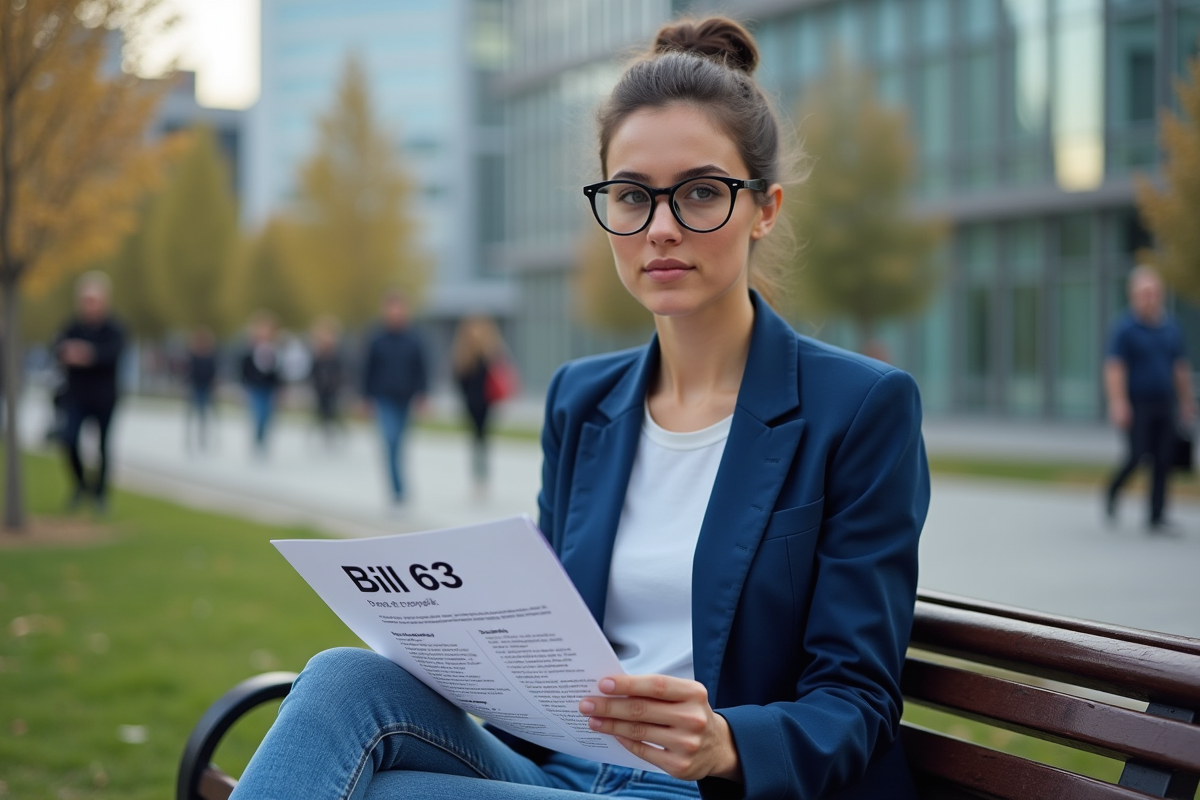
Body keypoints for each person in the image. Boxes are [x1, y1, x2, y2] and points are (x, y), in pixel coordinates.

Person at [231, 17, 928, 800]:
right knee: (341, 680)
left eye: (701, 192)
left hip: (709, 786)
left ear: (764, 208)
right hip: (564, 768)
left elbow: (858, 700)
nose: (661, 228)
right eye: (631, 196)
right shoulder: (583, 399)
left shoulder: (858, 410)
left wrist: (726, 742)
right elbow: (548, 628)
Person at [1104, 266, 1195, 531]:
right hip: (1137, 402)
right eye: (1144, 293)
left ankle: (1156, 515)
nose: (1150, 298)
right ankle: (1113, 490)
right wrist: (1118, 402)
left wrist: (1187, 401)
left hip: (1165, 401)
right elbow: (1114, 368)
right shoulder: (1125, 328)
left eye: (1154, 292)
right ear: (1133, 295)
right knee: (1137, 455)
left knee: (1163, 458)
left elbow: (1179, 367)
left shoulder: (1170, 328)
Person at [53, 271, 126, 512]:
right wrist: (67, 352)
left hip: (104, 397)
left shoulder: (114, 328)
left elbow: (113, 353)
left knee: (103, 447)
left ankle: (100, 495)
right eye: (85, 300)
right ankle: (81, 485)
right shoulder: (73, 326)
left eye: (93, 300)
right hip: (77, 396)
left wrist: (88, 354)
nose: (89, 305)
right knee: (69, 439)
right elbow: (56, 346)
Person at [360, 291, 428, 506]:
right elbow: (367, 369)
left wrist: (422, 394)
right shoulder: (377, 338)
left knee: (400, 443)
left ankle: (400, 484)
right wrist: (365, 397)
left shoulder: (413, 338)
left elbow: (421, 369)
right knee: (389, 439)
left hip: (406, 398)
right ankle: (397, 489)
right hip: (384, 397)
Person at [451, 316, 507, 499]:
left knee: (483, 439)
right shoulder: (463, 355)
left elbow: (499, 372)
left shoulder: (490, 353)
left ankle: (483, 476)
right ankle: (478, 476)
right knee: (476, 439)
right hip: (471, 403)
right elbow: (459, 379)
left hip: (487, 403)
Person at [240, 311, 282, 456]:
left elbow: (278, 370)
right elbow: (244, 368)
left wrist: (280, 387)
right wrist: (244, 385)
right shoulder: (250, 347)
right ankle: (257, 439)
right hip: (255, 386)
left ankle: (263, 440)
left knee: (268, 416)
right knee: (258, 414)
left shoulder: (275, 348)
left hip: (269, 387)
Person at [309, 316, 346, 447]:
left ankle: (334, 433)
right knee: (321, 412)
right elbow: (313, 371)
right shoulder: (317, 354)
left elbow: (340, 371)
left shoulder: (336, 354)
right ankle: (325, 432)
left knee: (333, 412)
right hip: (320, 388)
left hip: (333, 388)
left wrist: (337, 383)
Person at [185, 326, 218, 451]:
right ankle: (191, 438)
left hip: (206, 388)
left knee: (203, 414)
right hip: (195, 387)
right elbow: (189, 372)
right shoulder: (193, 355)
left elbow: (212, 373)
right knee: (192, 413)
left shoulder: (210, 356)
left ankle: (202, 437)